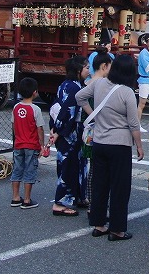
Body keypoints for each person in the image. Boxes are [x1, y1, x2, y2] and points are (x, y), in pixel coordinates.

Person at [76, 55, 144, 241]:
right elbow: (133, 123)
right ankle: (117, 229)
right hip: (120, 144)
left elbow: (79, 97)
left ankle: (99, 225)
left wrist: (93, 115)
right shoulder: (127, 92)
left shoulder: (99, 84)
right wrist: (139, 145)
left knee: (100, 184)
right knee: (120, 187)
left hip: (99, 142)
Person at [50, 56, 91, 216]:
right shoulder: (74, 88)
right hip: (69, 135)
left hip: (72, 133)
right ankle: (61, 203)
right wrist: (58, 132)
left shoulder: (68, 85)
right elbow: (66, 113)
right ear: (78, 70)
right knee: (68, 167)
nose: (88, 71)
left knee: (77, 165)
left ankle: (78, 196)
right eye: (86, 68)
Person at [80, 50, 113, 208]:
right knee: (97, 169)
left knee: (93, 167)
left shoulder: (88, 81)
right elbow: (81, 98)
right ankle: (95, 204)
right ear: (104, 66)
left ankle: (92, 201)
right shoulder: (99, 84)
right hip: (98, 129)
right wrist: (94, 115)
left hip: (88, 130)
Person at [10, 77, 45, 209]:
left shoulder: (16, 107)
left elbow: (13, 125)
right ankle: (27, 199)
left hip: (18, 143)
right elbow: (39, 129)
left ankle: (15, 197)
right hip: (31, 145)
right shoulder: (35, 109)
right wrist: (41, 145)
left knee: (17, 169)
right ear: (35, 92)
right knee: (30, 170)